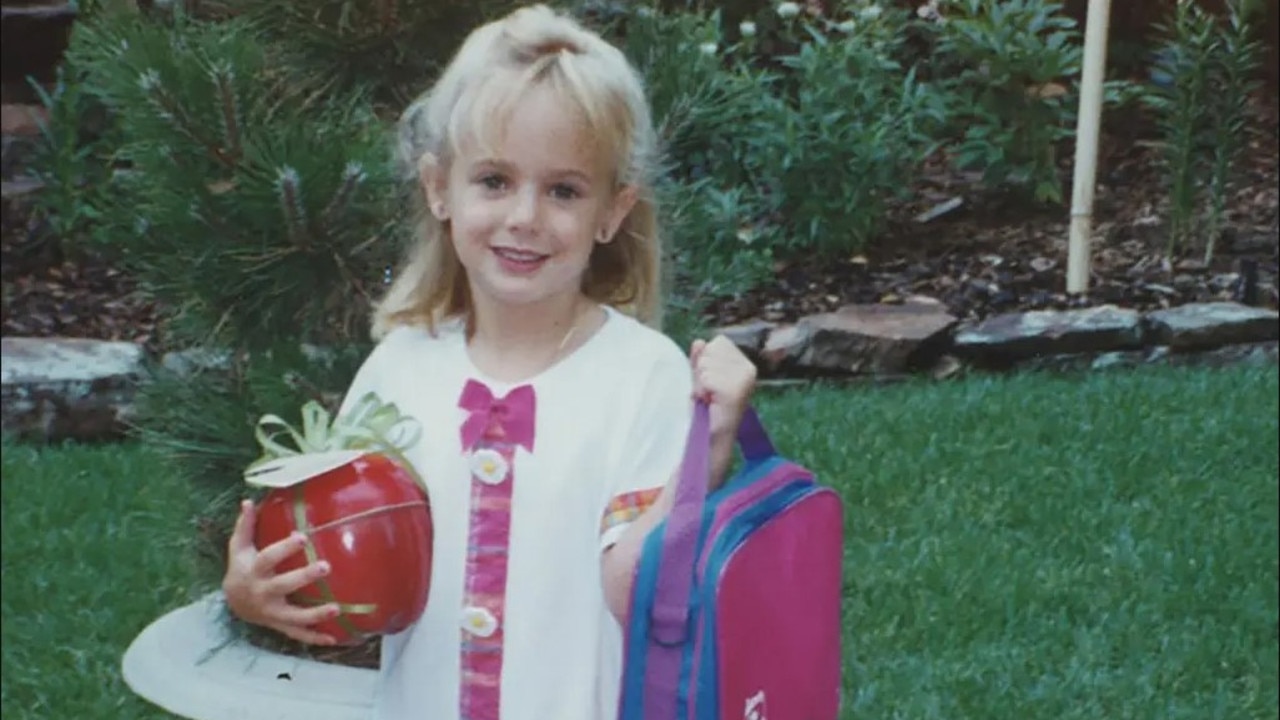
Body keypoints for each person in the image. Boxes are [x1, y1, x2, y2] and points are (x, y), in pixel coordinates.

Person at [220, 4, 759, 720]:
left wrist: (710, 447)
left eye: (563, 190)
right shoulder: (400, 371)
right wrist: (261, 590)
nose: (525, 217)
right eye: (495, 181)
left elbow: (640, 596)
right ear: (440, 186)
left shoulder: (642, 377)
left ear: (613, 210)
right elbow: (346, 569)